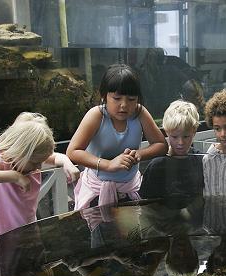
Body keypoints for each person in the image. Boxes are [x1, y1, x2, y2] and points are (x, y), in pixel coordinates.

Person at [66, 64, 167, 210]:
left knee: (131, 233)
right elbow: (73, 151)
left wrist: (139, 154)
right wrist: (108, 165)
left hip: (130, 189)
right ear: (104, 96)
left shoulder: (140, 113)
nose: (124, 105)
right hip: (97, 192)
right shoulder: (96, 115)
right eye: (117, 98)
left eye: (131, 99)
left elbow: (161, 145)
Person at [0, 112, 80, 238]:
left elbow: (55, 158)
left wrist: (67, 162)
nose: (38, 167)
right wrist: (14, 176)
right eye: (35, 162)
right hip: (7, 235)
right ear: (21, 152)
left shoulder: (27, 162)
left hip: (30, 228)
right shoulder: (3, 161)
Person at [139, 100, 204, 199]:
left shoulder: (201, 161)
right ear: (166, 132)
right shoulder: (157, 166)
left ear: (194, 132)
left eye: (186, 136)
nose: (180, 143)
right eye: (174, 137)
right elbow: (146, 204)